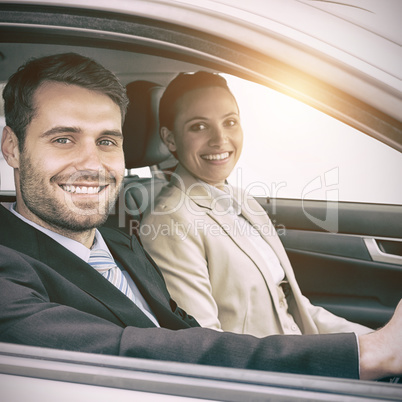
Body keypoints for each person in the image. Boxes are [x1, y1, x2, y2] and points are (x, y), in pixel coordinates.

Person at [0, 53, 401, 382]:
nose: (92, 164)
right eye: (63, 139)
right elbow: (138, 351)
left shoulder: (118, 240)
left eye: (107, 141)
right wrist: (365, 354)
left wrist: (374, 344)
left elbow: (185, 329)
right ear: (12, 148)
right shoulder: (8, 271)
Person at [140, 72, 373, 338]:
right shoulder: (169, 221)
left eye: (230, 122)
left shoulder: (241, 200)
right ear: (170, 139)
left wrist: (370, 343)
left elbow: (296, 310)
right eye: (199, 126)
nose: (220, 139)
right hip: (266, 373)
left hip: (298, 352)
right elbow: (206, 345)